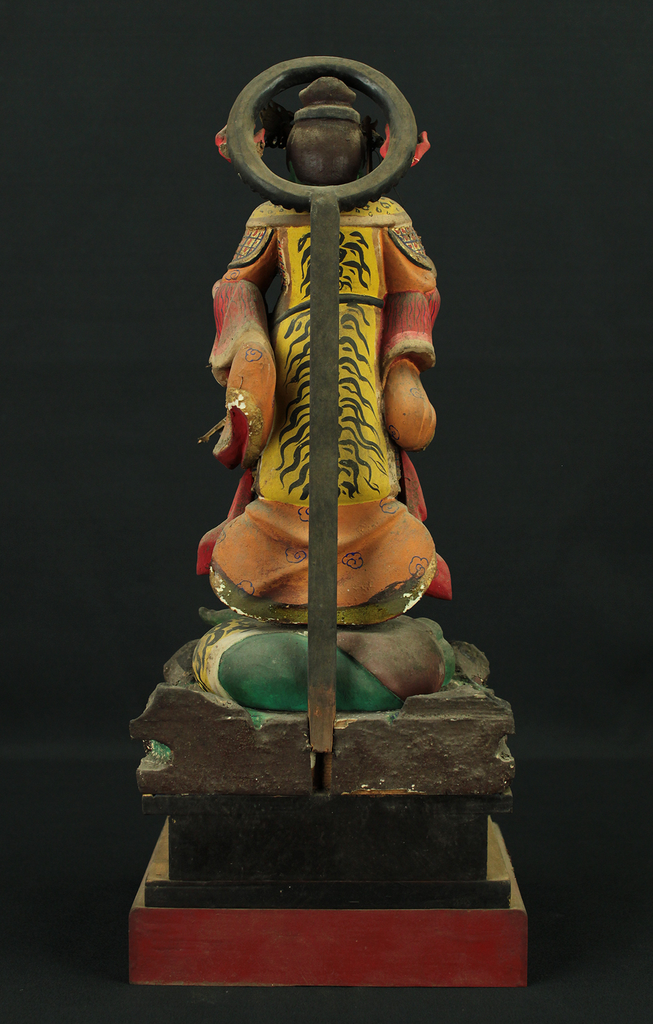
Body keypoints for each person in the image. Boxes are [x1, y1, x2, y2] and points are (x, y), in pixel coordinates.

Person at [197, 76, 452, 632]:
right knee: (287, 469)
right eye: (309, 136)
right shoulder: (272, 217)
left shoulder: (387, 217)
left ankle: (377, 565)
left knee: (364, 468)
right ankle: (270, 561)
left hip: (364, 361)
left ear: (367, 146)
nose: (324, 149)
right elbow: (235, 286)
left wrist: (404, 366)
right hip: (292, 364)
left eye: (338, 135)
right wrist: (250, 347)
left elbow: (417, 289)